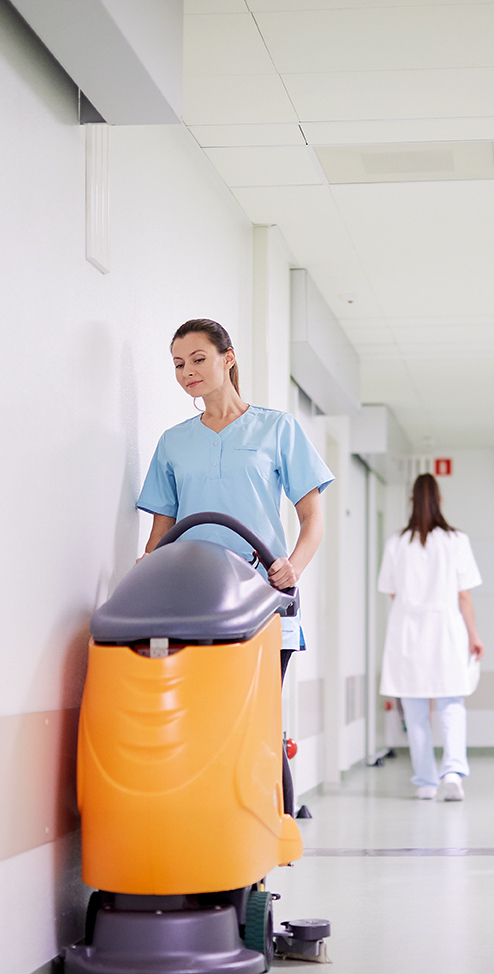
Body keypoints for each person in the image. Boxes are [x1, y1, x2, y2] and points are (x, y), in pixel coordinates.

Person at [136, 319, 332, 815]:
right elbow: (162, 530)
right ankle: (208, 819)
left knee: (257, 714)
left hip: (262, 595)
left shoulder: (277, 428)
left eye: (198, 359)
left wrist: (293, 567)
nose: (187, 372)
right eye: (178, 364)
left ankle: (267, 820)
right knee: (200, 715)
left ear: (228, 358)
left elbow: (313, 518)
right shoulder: (173, 443)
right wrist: (144, 573)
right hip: (191, 598)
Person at [377, 473, 484, 801]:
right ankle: (452, 773)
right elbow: (464, 596)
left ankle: (425, 782)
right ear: (439, 500)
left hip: (407, 632)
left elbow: (392, 592)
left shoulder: (396, 543)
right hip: (446, 631)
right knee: (451, 706)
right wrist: (474, 635)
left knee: (415, 712)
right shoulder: (456, 541)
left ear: (412, 501)